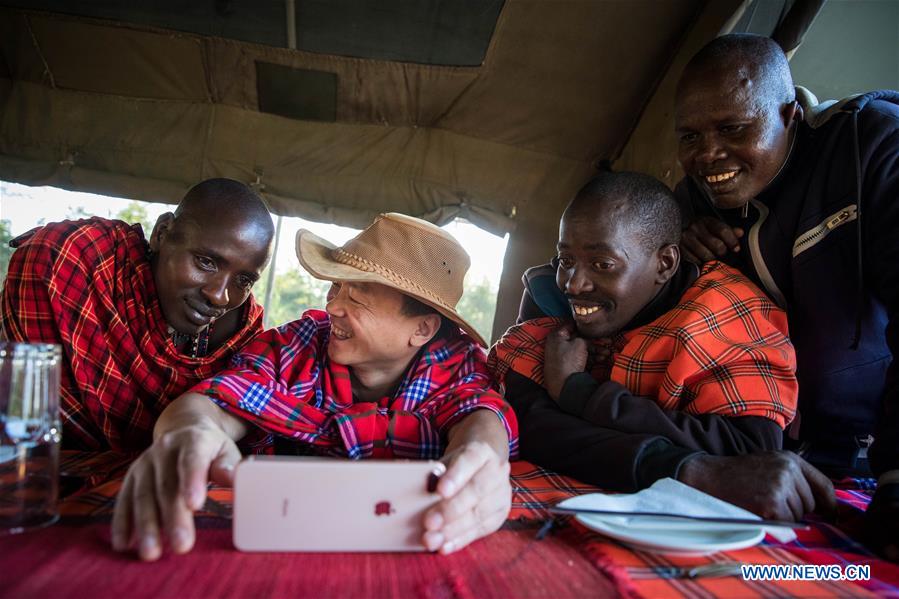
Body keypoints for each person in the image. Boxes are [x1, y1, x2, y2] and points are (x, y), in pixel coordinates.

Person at [111, 212, 518, 561]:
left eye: (358, 300)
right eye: (336, 287)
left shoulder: (456, 364)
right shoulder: (298, 344)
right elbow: (221, 400)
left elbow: (479, 414)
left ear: (422, 329)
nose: (333, 307)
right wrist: (191, 431)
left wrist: (481, 457)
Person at [673, 33, 899, 555]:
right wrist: (681, 259)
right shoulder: (691, 203)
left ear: (790, 113)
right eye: (689, 137)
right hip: (765, 464)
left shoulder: (873, 146)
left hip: (875, 459)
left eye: (733, 128)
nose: (708, 155)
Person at [490, 171, 812, 499]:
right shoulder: (549, 301)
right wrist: (678, 465)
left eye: (602, 264)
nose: (573, 284)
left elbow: (748, 457)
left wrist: (580, 394)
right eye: (567, 259)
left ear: (665, 263)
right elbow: (527, 424)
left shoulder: (725, 315)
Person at [0, 178, 275, 451]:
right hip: (42, 474)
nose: (220, 296)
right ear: (161, 233)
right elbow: (23, 419)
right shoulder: (75, 262)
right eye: (205, 262)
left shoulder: (241, 331)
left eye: (243, 281)